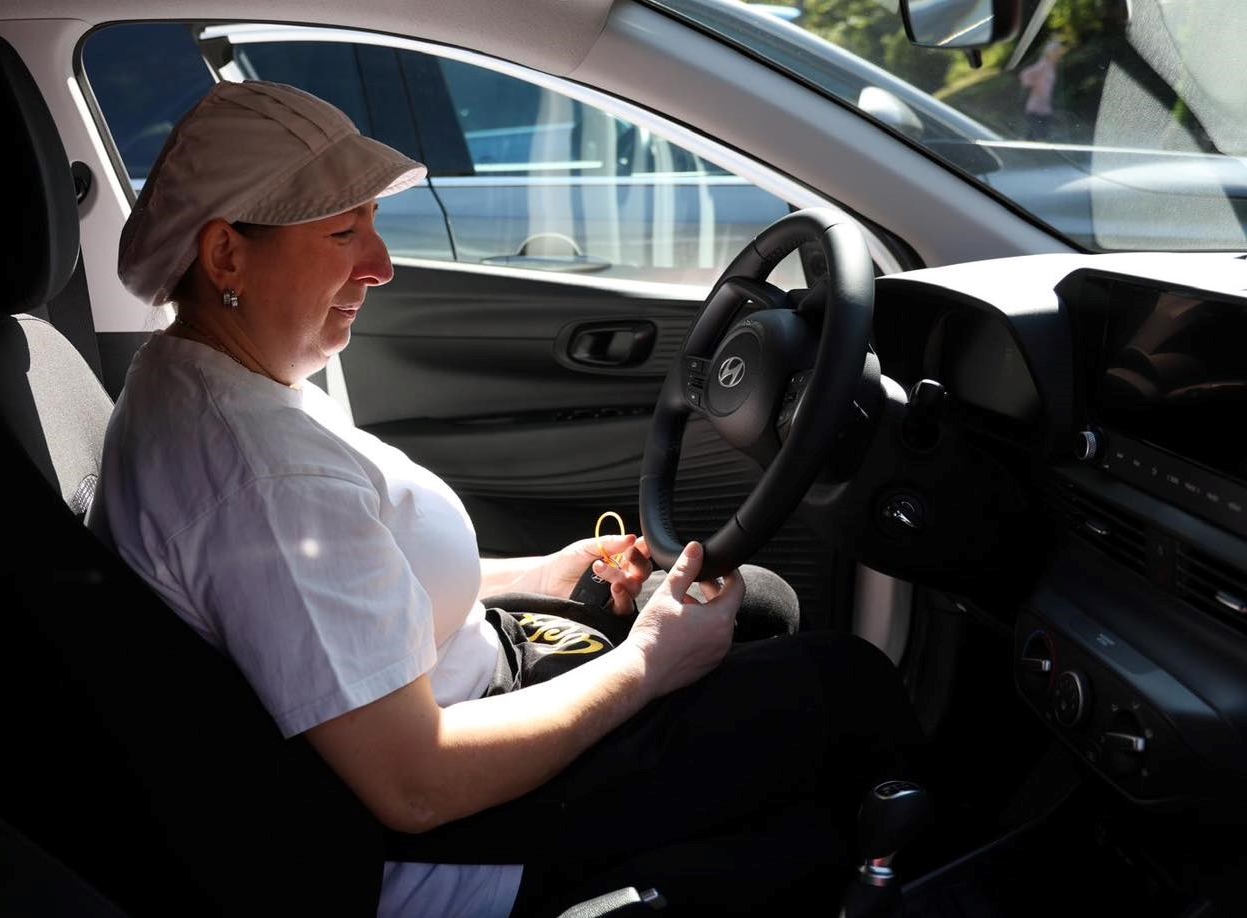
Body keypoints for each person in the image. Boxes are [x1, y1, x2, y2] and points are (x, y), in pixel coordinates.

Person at [93, 80, 925, 917]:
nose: (380, 265)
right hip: (467, 842)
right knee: (845, 690)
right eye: (343, 233)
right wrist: (646, 664)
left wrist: (547, 572)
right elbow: (416, 783)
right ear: (226, 256)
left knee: (758, 607)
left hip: (473, 689)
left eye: (373, 223)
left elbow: (353, 584)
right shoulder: (264, 480)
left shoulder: (205, 375)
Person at [1019, 39, 1067, 141]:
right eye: (1056, 53)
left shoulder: (1051, 66)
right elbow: (1026, 73)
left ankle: (1026, 141)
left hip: (1044, 104)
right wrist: (1031, 86)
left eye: (1059, 53)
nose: (1058, 56)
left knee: (1035, 133)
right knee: (1040, 131)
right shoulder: (1044, 64)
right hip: (1037, 104)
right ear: (1050, 53)